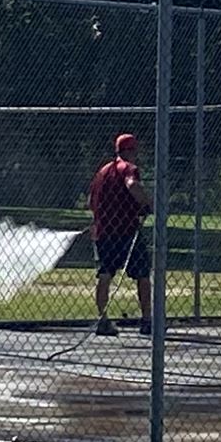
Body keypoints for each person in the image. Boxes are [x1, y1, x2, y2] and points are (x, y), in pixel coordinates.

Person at [88, 132, 153, 335]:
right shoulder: (129, 169)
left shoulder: (103, 171)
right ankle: (147, 320)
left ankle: (102, 319)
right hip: (127, 231)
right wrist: (148, 203)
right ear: (131, 151)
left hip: (103, 232)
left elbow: (91, 201)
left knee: (105, 273)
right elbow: (132, 185)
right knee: (142, 274)